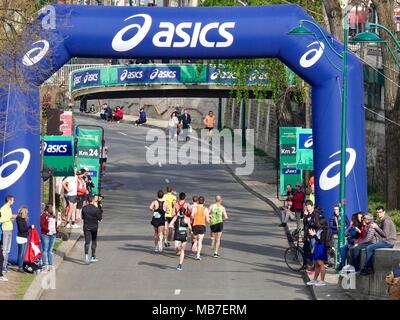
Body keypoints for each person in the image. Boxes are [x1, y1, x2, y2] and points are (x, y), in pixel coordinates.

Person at [360, 206, 397, 275]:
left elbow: (385, 234)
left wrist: (376, 227)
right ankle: (368, 268)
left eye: (380, 212)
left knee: (369, 248)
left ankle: (368, 268)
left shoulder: (386, 220)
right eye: (377, 212)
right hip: (385, 241)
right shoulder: (383, 220)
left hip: (388, 242)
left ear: (384, 212)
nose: (378, 214)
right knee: (369, 247)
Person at [307, 216, 329, 287]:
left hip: (321, 248)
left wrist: (314, 235)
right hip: (317, 247)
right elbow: (317, 239)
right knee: (316, 263)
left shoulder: (324, 231)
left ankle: (322, 280)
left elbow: (321, 241)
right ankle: (315, 279)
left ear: (322, 222)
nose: (318, 223)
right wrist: (313, 234)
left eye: (319, 222)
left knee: (320, 263)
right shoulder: (320, 229)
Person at [82, 195, 103, 264]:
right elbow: (100, 218)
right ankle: (93, 257)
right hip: (94, 227)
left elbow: (82, 217)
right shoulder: (96, 209)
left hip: (86, 227)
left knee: (87, 242)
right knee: (94, 241)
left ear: (87, 201)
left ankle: (86, 257)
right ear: (93, 200)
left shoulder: (84, 208)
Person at [0, 195, 16, 273]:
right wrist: (10, 217)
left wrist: (12, 218)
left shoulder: (9, 208)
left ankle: (5, 265)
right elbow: (1, 219)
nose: (14, 201)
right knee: (4, 249)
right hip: (5, 230)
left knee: (8, 249)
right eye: (13, 200)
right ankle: (2, 266)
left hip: (10, 229)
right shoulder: (3, 208)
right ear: (9, 200)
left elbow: (9, 218)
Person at [191, 196, 210, 260]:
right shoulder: (206, 209)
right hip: (202, 225)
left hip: (195, 225)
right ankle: (198, 255)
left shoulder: (194, 208)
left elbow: (192, 216)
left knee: (195, 239)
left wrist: (191, 220)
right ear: (204, 202)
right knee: (200, 241)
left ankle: (194, 244)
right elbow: (207, 220)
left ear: (198, 201)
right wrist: (209, 220)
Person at [40, 205, 57, 272]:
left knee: (50, 250)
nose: (52, 209)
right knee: (45, 250)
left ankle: (50, 265)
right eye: (51, 208)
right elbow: (42, 225)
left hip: (53, 235)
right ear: (47, 209)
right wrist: (47, 230)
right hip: (45, 235)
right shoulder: (43, 215)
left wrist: (56, 228)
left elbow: (55, 224)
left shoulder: (53, 215)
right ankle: (44, 265)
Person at [16, 206, 31, 273]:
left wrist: (28, 231)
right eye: (26, 212)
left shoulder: (24, 219)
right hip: (20, 238)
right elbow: (21, 229)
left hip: (25, 237)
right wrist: (29, 227)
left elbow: (24, 229)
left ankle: (21, 266)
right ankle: (20, 267)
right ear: (23, 212)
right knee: (21, 253)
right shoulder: (19, 218)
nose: (27, 213)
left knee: (23, 254)